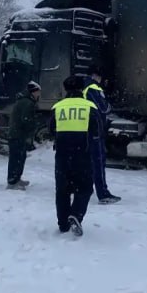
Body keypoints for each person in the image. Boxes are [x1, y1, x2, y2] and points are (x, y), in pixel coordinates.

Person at [49, 75, 100, 236]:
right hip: (82, 154)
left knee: (62, 190)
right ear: (81, 89)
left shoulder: (58, 107)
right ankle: (76, 214)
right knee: (84, 188)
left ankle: (63, 224)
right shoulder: (89, 106)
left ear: (65, 89)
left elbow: (51, 129)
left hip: (62, 155)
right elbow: (97, 130)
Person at [82, 65, 121, 204]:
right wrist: (109, 106)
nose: (101, 80)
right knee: (98, 162)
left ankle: (85, 188)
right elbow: (104, 107)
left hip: (89, 129)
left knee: (89, 162)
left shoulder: (85, 87)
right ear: (95, 75)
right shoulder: (93, 88)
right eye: (99, 77)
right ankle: (103, 193)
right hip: (95, 130)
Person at [6, 80, 41, 190]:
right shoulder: (27, 103)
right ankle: (12, 182)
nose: (39, 94)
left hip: (18, 134)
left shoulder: (25, 101)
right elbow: (26, 119)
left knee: (20, 157)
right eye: (38, 92)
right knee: (16, 158)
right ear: (33, 92)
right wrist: (35, 123)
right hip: (18, 135)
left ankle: (17, 178)